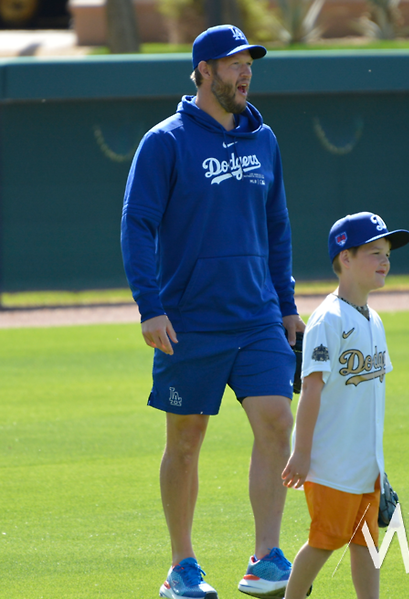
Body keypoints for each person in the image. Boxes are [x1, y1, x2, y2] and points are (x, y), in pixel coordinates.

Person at [120, 24, 306, 599]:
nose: (245, 71)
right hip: (190, 320)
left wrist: (287, 306)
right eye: (232, 63)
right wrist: (150, 307)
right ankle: (183, 566)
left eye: (249, 62)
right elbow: (137, 224)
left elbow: (277, 227)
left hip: (257, 317)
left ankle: (268, 556)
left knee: (277, 421)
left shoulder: (264, 140)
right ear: (203, 70)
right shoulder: (166, 141)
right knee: (185, 440)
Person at [281, 212, 409, 599]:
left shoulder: (375, 320)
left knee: (365, 543)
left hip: (365, 464)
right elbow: (311, 390)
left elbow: (371, 398)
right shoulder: (327, 319)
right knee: (325, 541)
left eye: (387, 252)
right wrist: (301, 452)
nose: (385, 260)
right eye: (374, 252)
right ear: (345, 258)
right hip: (332, 463)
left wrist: (379, 464)